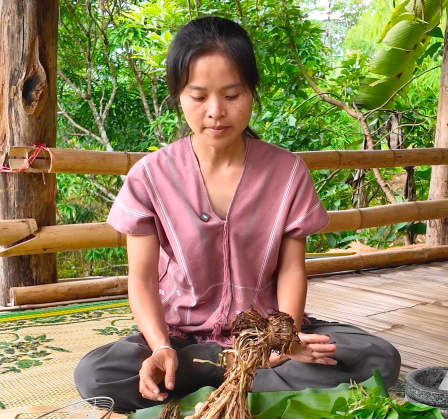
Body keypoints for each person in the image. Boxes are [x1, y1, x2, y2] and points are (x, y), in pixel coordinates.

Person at [74, 16, 401, 412]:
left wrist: (282, 342)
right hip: (181, 338)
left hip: (267, 336)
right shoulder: (150, 176)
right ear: (179, 96)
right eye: (198, 97)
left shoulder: (287, 172)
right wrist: (160, 347)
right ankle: (237, 375)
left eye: (232, 95)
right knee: (97, 374)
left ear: (251, 91)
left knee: (377, 358)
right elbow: (141, 280)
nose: (216, 111)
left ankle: (221, 378)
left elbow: (291, 270)